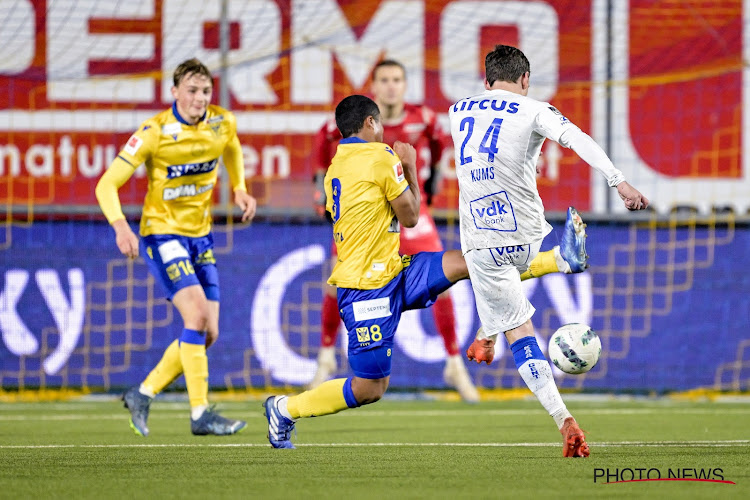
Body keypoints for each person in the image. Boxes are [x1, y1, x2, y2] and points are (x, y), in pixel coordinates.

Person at [308, 60, 589, 401]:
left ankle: (453, 362)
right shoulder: (353, 124)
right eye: (385, 80)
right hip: (368, 221)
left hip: (412, 207)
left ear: (404, 83)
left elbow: (441, 156)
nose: (392, 86)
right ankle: (324, 357)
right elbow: (321, 165)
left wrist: (426, 187)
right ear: (375, 86)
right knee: (334, 279)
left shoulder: (423, 118)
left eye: (398, 79)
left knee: (462, 269)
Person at [452, 45, 649, 457]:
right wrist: (619, 182)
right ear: (525, 80)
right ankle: (557, 261)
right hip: (526, 232)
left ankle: (564, 419)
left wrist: (524, 162)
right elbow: (577, 139)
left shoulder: (457, 111)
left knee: (517, 328)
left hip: (480, 235)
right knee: (508, 274)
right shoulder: (534, 109)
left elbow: (488, 153)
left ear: (485, 81)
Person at [95, 58, 256, 437]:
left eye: (205, 91)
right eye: (191, 91)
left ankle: (143, 393)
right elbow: (106, 184)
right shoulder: (154, 132)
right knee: (197, 317)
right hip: (162, 234)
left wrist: (239, 187)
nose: (200, 99)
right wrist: (121, 228)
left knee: (207, 332)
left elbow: (231, 146)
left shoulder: (222, 121)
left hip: (200, 237)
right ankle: (200, 414)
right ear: (174, 92)